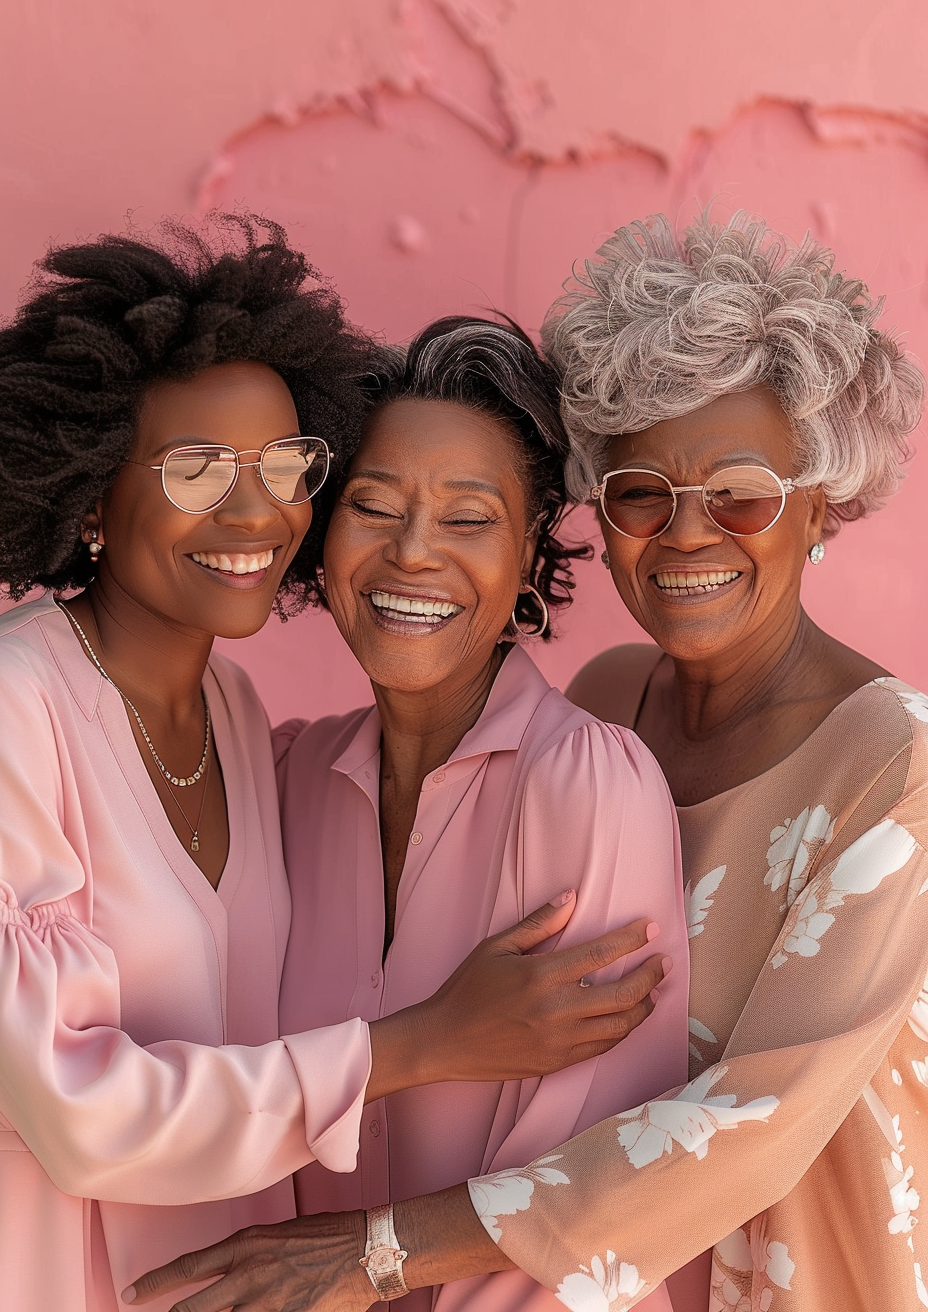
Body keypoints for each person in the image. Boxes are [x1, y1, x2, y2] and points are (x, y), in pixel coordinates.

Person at [132, 213, 928, 1312]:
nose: (687, 536)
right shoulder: (611, 700)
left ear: (821, 506)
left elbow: (758, 1121)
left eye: (740, 495)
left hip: (803, 1270)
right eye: (643, 493)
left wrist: (370, 1248)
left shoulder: (895, 762)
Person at [0, 223, 668, 1312]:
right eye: (196, 468)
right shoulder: (27, 709)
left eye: (281, 467)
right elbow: (78, 1111)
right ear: (88, 496)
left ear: (531, 551)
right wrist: (415, 1046)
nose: (255, 509)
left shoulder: (241, 720)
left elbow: (591, 1192)